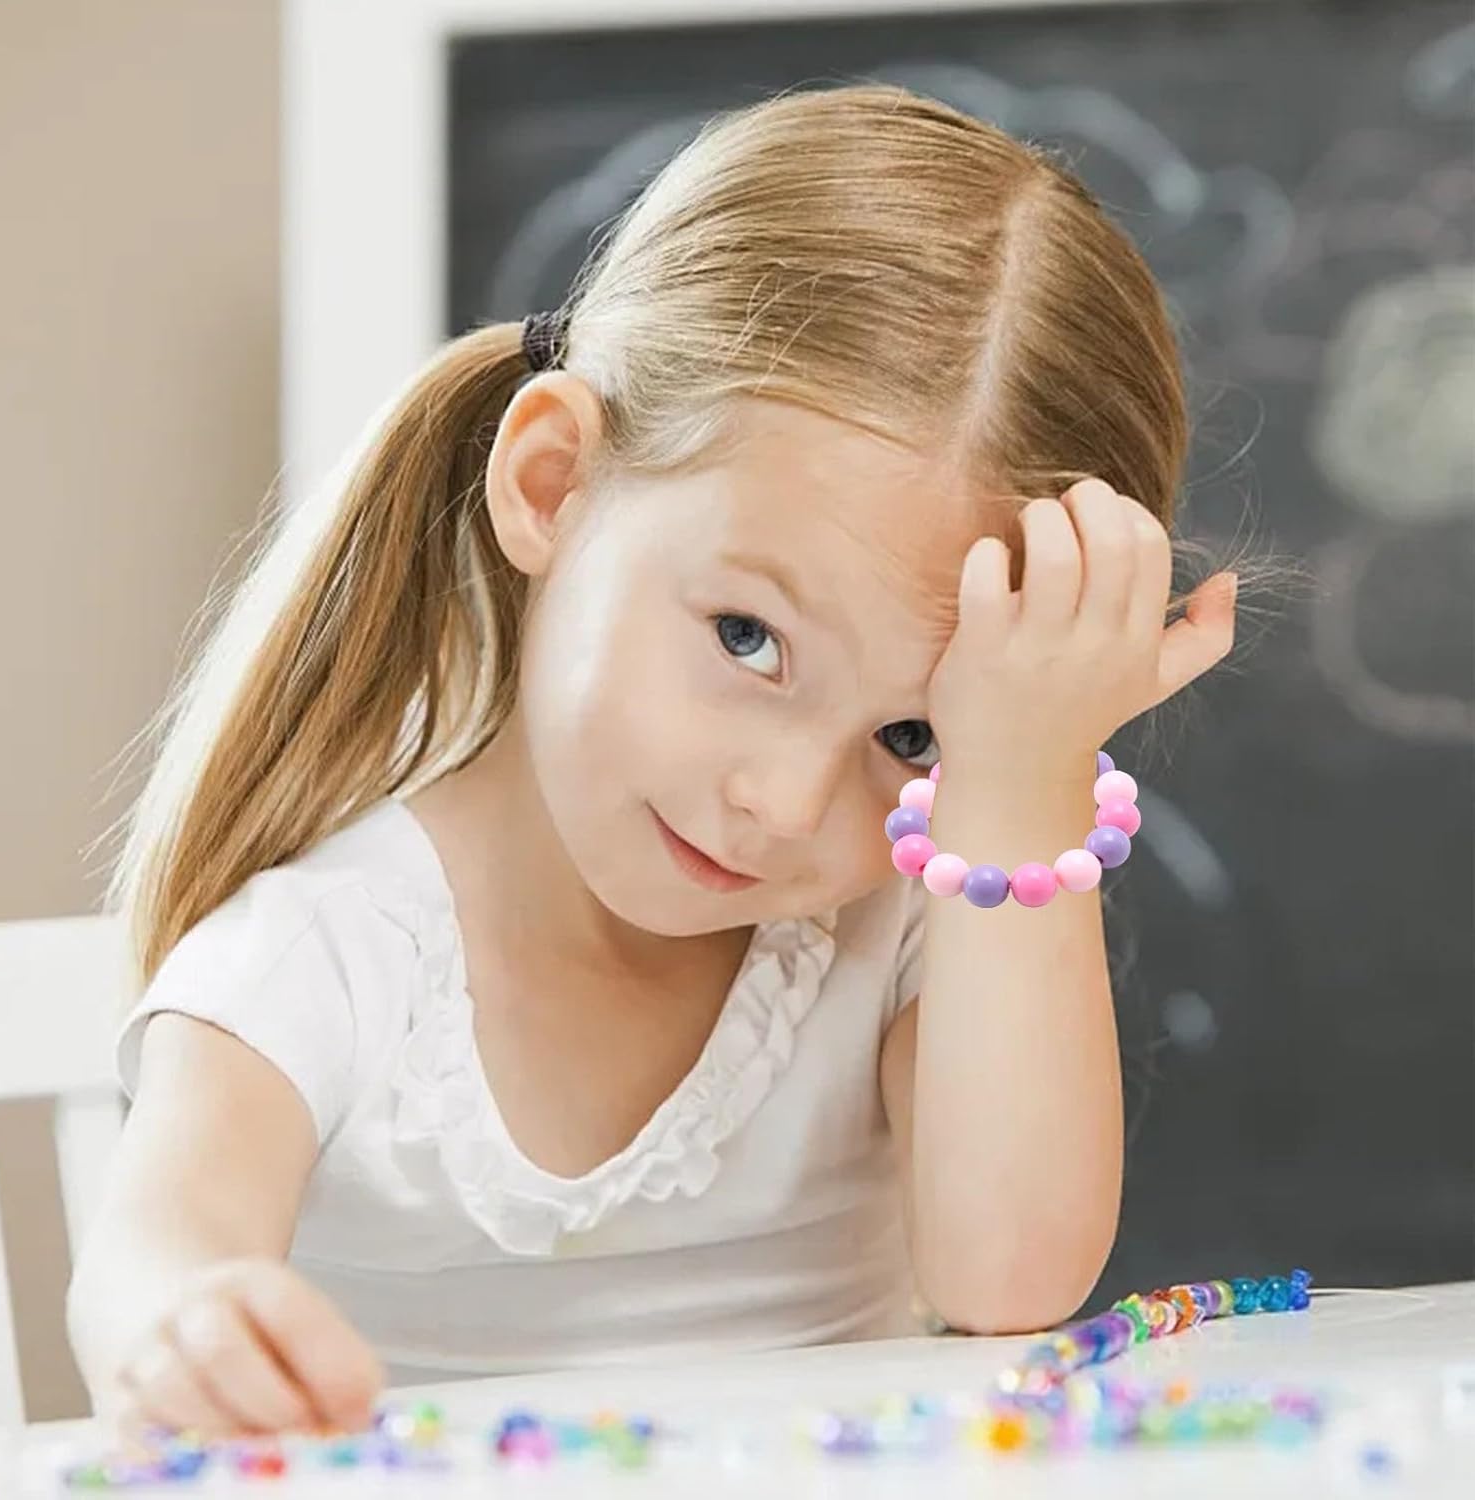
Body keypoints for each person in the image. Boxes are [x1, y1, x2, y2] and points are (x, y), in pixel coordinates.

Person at [68, 83, 1242, 1440]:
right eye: (748, 638)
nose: (784, 804)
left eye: (913, 734)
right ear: (553, 485)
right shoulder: (330, 951)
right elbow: (149, 1264)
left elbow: (1012, 1282)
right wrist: (190, 1329)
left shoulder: (924, 918)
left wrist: (1024, 790)